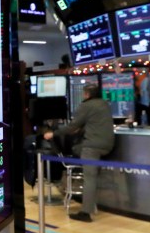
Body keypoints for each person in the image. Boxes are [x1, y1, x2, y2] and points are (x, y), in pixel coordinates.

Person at [43, 83, 114, 222]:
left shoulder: (86, 106)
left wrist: (53, 133)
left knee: (89, 178)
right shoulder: (104, 104)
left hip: (92, 147)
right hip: (108, 145)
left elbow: (72, 127)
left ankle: (86, 213)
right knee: (90, 172)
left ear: (87, 94)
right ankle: (90, 205)